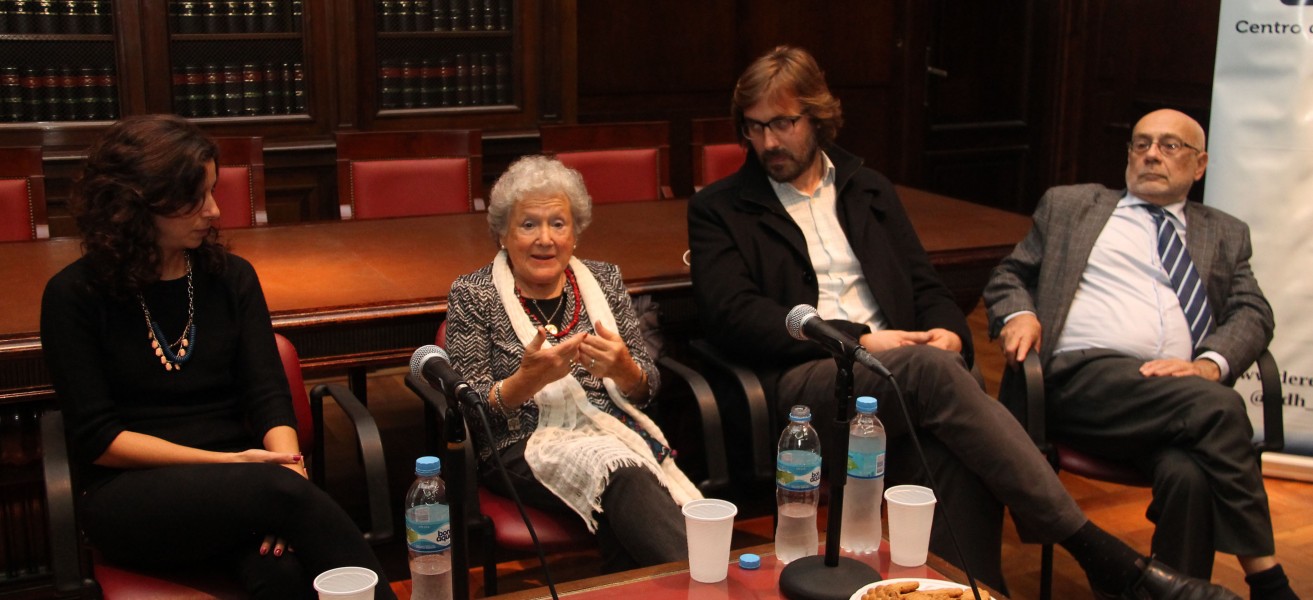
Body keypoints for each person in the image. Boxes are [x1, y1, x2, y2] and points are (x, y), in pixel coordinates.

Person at [688, 45, 1240, 599]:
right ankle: (1102, 553)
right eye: (755, 127)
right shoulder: (721, 207)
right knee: (943, 379)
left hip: (908, 378)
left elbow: (927, 285)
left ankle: (977, 593)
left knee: (959, 447)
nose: (768, 143)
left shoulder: (868, 188)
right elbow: (733, 314)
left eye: (783, 123)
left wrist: (949, 330)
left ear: (818, 116)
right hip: (814, 379)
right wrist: (860, 340)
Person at [39, 115, 395, 600]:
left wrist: (286, 471)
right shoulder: (73, 295)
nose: (214, 210)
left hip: (247, 486)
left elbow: (268, 394)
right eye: (196, 197)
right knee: (280, 501)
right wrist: (249, 478)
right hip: (130, 494)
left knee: (282, 573)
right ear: (137, 203)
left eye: (213, 191)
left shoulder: (231, 278)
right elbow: (99, 439)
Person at [985, 108, 1297, 598]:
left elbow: (1253, 312)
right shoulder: (1071, 207)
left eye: (1170, 146)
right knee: (1219, 406)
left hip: (1174, 402)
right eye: (1141, 143)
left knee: (1189, 473)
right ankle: (1268, 579)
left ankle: (1171, 591)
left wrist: (1207, 364)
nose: (1151, 153)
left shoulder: (1226, 232)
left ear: (1200, 165)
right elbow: (1009, 276)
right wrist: (1018, 314)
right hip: (1078, 381)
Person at [444, 154, 701, 572]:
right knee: (626, 474)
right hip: (519, 444)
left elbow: (647, 387)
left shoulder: (604, 280)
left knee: (623, 501)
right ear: (503, 234)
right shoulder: (474, 295)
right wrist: (525, 381)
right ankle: (704, 584)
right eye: (529, 224)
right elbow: (468, 409)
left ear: (575, 233)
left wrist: (624, 370)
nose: (545, 238)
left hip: (613, 430)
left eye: (558, 224)